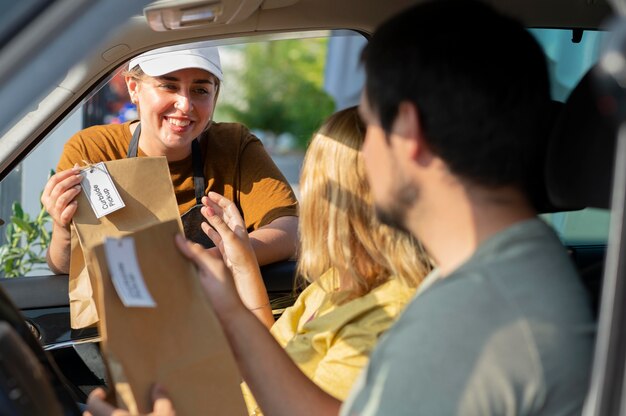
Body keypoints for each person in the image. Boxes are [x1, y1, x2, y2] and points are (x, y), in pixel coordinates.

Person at [88, 0, 596, 414]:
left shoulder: (477, 318)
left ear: (410, 133)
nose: (363, 155)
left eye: (370, 127)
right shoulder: (497, 276)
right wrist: (230, 307)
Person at [87, 106, 432, 415]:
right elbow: (272, 362)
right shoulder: (335, 284)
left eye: (313, 183)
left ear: (334, 201)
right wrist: (241, 260)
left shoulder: (384, 317)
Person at [41, 41, 299, 274]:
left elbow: (288, 230)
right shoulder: (93, 151)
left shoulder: (233, 145)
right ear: (133, 88)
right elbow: (65, 267)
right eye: (168, 85)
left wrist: (211, 260)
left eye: (200, 90)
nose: (185, 104)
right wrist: (63, 227)